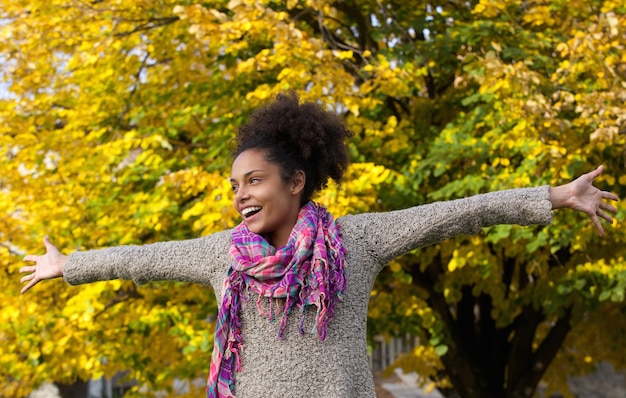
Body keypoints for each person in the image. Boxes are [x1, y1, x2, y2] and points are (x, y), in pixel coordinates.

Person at [20, 92, 619, 398]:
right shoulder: (223, 255)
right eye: (235, 185)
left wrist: (553, 197)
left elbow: (458, 213)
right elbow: (142, 259)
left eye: (253, 180)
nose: (241, 195)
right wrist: (68, 265)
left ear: (296, 181)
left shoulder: (357, 241)